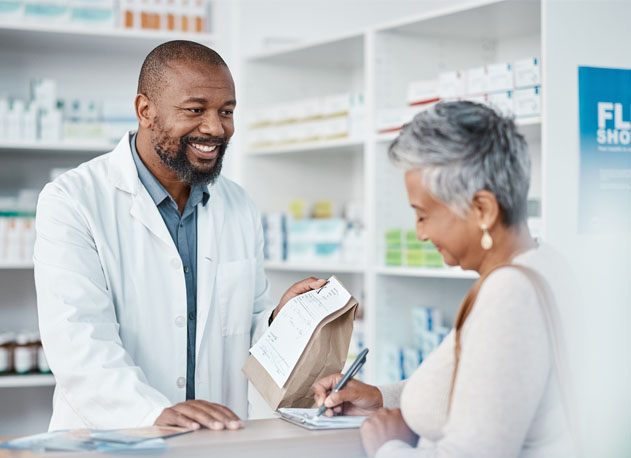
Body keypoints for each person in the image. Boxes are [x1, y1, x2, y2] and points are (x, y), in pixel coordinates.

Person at [34, 40, 325, 432]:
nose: (215, 128)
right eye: (195, 110)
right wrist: (150, 413)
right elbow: (78, 342)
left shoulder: (238, 205)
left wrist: (279, 321)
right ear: (145, 110)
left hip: (215, 438)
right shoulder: (73, 200)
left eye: (226, 112)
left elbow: (243, 331)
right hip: (113, 438)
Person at [312, 101, 577, 458]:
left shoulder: (510, 294)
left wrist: (388, 448)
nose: (419, 234)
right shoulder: (543, 262)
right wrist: (380, 399)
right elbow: (479, 388)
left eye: (423, 215)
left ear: (482, 209)